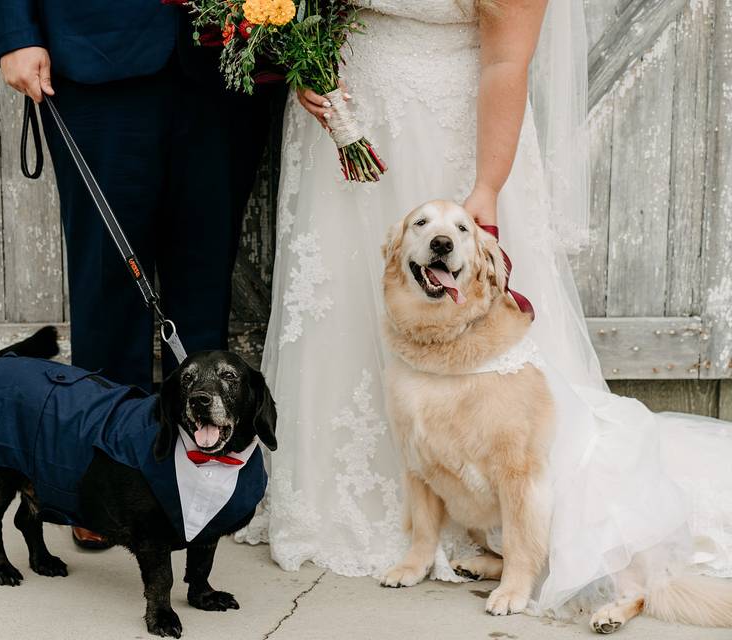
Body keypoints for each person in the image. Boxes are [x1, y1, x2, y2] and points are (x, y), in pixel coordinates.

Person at [239, 0, 732, 619]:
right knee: (339, 305)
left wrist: (487, 189)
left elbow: (506, 58)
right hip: (342, 120)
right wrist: (303, 64)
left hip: (450, 129)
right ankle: (339, 503)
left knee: (474, 342)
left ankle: (509, 527)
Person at [0, 0, 276, 549]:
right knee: (107, 280)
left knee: (206, 274)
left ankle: (198, 480)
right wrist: (14, 31)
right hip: (95, 55)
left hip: (228, 58)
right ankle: (102, 481)